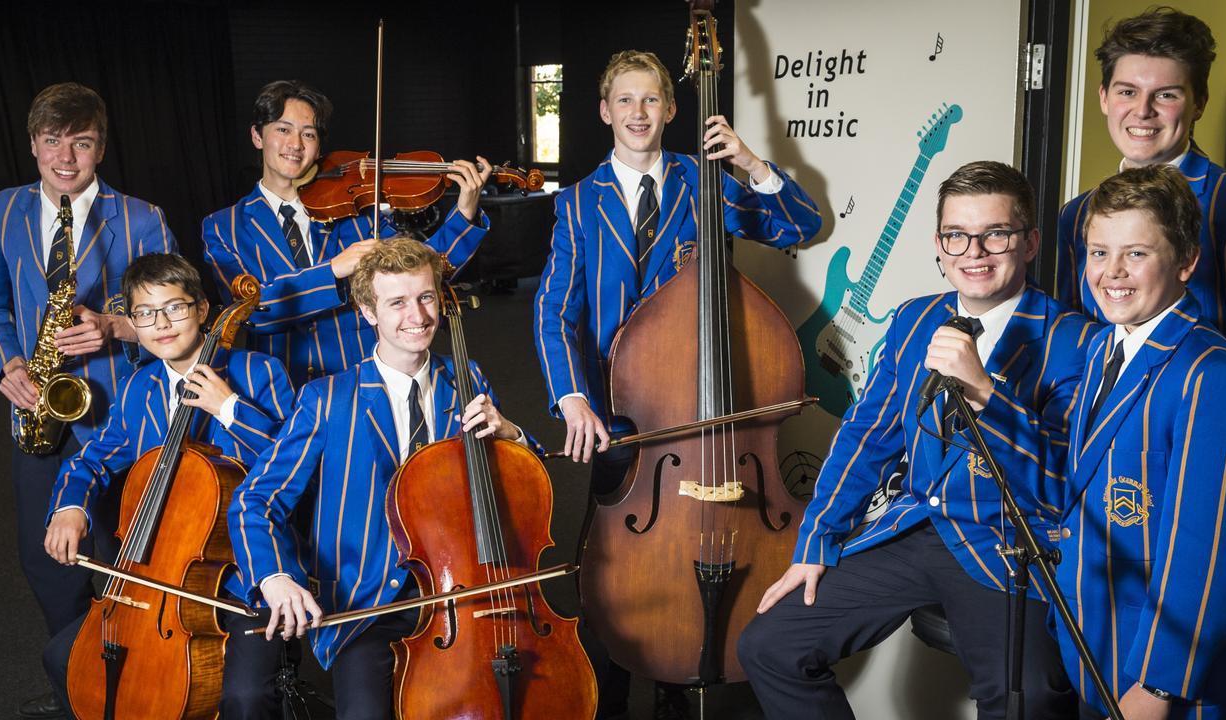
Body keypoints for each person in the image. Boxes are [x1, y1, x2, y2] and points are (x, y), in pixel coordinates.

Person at [738, 161, 1094, 719]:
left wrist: (986, 396)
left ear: (1029, 243)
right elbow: (866, 438)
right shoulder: (913, 319)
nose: (974, 252)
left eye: (995, 233)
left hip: (1003, 545)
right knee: (769, 646)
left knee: (1029, 696)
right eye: (957, 235)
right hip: (912, 528)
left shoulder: (1075, 341)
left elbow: (1061, 483)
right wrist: (816, 540)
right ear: (939, 243)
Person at [532, 49, 821, 718]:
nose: (638, 113)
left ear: (671, 110)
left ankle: (674, 693)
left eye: (652, 100)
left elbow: (799, 226)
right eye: (625, 101)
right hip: (620, 416)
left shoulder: (706, 182)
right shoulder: (578, 204)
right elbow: (553, 309)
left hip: (708, 411)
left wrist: (751, 164)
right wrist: (573, 396)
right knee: (609, 572)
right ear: (605, 112)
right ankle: (608, 698)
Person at [228, 237, 533, 719]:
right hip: (367, 607)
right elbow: (256, 501)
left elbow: (524, 479)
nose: (418, 315)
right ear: (368, 312)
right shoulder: (327, 398)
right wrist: (274, 576)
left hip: (464, 591)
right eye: (397, 302)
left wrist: (511, 432)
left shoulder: (467, 378)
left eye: (426, 297)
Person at [0, 81, 174, 718]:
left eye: (80, 142)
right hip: (39, 414)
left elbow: (173, 318)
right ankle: (79, 683)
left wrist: (116, 325)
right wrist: (9, 363)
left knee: (120, 555)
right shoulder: (2, 211)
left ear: (100, 148)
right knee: (45, 561)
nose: (65, 156)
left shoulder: (141, 218)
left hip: (120, 420)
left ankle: (139, 687)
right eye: (52, 140)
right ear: (33, 144)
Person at [38, 252, 294, 717]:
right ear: (133, 321)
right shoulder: (141, 388)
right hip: (158, 575)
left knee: (244, 697)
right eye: (145, 313)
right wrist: (70, 506)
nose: (161, 323)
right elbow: (89, 460)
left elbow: (292, 462)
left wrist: (229, 407)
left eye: (174, 307)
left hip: (242, 576)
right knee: (61, 657)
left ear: (201, 309)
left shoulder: (259, 373)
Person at [1058, 164, 1226, 720]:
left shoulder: (1213, 373)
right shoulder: (1099, 350)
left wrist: (1161, 685)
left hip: (1157, 674)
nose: (1112, 272)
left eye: (1136, 253)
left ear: (1186, 261)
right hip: (1091, 640)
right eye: (1098, 252)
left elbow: (1207, 554)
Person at [203, 79, 492, 389]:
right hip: (281, 390)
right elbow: (255, 314)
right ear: (257, 136)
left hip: (362, 384)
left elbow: (426, 269)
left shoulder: (357, 215)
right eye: (283, 129)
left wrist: (464, 214)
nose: (296, 144)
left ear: (318, 148)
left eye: (309, 134)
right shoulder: (224, 227)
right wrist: (332, 270)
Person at [1056, 7, 1226, 343]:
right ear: (1104, 98)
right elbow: (1075, 337)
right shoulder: (1076, 214)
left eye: (1166, 94)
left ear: (1199, 103)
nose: (1143, 111)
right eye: (1127, 92)